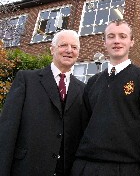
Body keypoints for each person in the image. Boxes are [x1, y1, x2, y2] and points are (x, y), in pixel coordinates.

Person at [71, 19, 140, 176]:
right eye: (111, 36)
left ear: (131, 41)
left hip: (125, 167)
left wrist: (139, 165)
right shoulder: (93, 82)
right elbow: (82, 125)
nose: (117, 41)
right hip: (86, 165)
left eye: (123, 36)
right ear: (105, 42)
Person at [0, 29, 87, 176]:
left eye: (74, 47)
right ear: (52, 49)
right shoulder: (26, 80)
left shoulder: (84, 90)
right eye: (63, 45)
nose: (69, 50)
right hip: (26, 168)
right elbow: (7, 129)